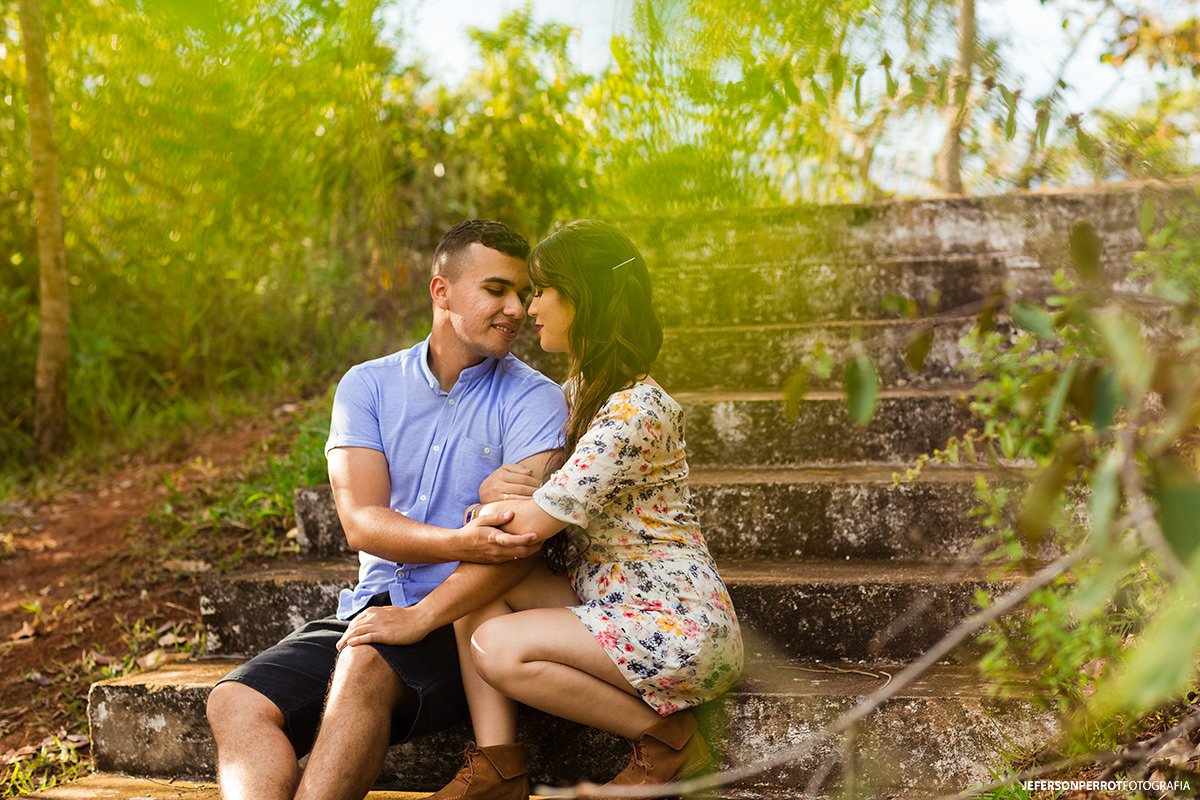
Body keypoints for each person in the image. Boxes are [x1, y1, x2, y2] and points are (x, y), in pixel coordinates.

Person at [336, 219, 744, 800]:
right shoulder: (579, 396)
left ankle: (668, 742)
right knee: (481, 592)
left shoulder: (635, 413)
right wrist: (492, 500)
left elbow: (522, 524)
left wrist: (422, 609)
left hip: (676, 624)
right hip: (611, 597)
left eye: (542, 292)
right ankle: (500, 766)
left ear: (584, 301)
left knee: (497, 646)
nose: (530, 310)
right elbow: (514, 505)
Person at [205, 219, 569, 800]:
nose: (516, 310)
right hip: (372, 607)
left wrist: (438, 589)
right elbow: (361, 522)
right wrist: (459, 541)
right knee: (235, 701)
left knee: (366, 663)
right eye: (496, 289)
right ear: (440, 291)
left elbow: (518, 548)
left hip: (465, 617)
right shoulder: (367, 386)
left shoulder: (536, 400)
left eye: (524, 295)